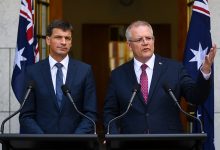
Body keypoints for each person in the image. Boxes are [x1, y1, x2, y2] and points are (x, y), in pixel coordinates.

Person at [104, 20, 216, 134]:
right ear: (129, 45)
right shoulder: (118, 75)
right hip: (130, 141)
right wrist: (113, 136)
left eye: (148, 38)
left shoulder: (174, 69)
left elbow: (196, 97)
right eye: (139, 39)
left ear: (153, 40)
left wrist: (205, 70)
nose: (145, 42)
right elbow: (110, 112)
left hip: (169, 141)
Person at [19, 20, 97, 134]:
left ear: (71, 42)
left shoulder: (84, 71)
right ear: (48, 40)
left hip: (76, 144)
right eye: (58, 37)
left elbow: (91, 113)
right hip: (42, 144)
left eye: (68, 38)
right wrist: (43, 139)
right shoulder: (33, 72)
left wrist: (76, 139)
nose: (63, 42)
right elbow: (26, 115)